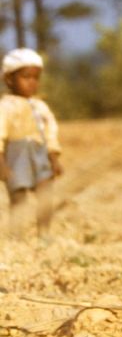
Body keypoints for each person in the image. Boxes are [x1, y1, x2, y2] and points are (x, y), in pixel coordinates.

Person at [2, 48, 62, 217]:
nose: (32, 83)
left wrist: (54, 158)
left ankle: (44, 236)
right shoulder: (5, 106)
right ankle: (17, 236)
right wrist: (2, 164)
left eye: (36, 78)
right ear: (9, 80)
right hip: (17, 154)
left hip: (39, 153)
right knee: (19, 197)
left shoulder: (41, 106)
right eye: (26, 77)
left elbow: (50, 133)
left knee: (45, 194)